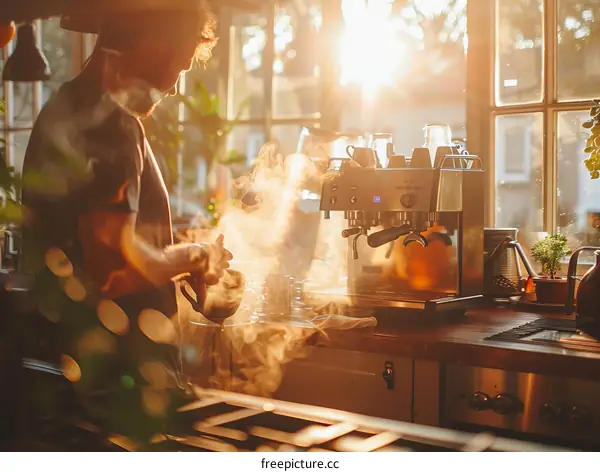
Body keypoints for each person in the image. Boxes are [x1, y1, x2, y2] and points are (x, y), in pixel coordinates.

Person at [20, 2, 232, 446]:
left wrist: (178, 262)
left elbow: (96, 247)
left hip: (68, 382)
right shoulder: (110, 122)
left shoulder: (65, 106)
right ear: (155, 45)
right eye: (183, 62)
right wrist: (196, 255)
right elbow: (112, 268)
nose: (176, 85)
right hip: (118, 395)